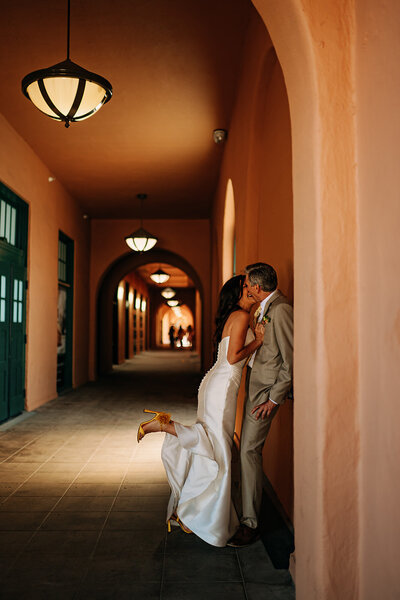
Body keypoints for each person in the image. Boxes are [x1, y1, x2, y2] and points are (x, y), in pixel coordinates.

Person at [136, 275, 265, 547]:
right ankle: (163, 427)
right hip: (223, 386)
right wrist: (259, 341)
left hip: (216, 383)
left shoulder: (236, 316)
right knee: (217, 447)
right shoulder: (241, 317)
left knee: (212, 443)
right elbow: (233, 357)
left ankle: (189, 513)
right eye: (248, 285)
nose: (253, 289)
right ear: (240, 291)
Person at [228, 263, 293, 547]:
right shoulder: (264, 307)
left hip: (266, 394)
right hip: (255, 388)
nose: (246, 289)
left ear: (256, 287)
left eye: (246, 284)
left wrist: (274, 398)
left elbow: (292, 360)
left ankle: (250, 524)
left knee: (249, 451)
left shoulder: (281, 309)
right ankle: (245, 514)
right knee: (246, 452)